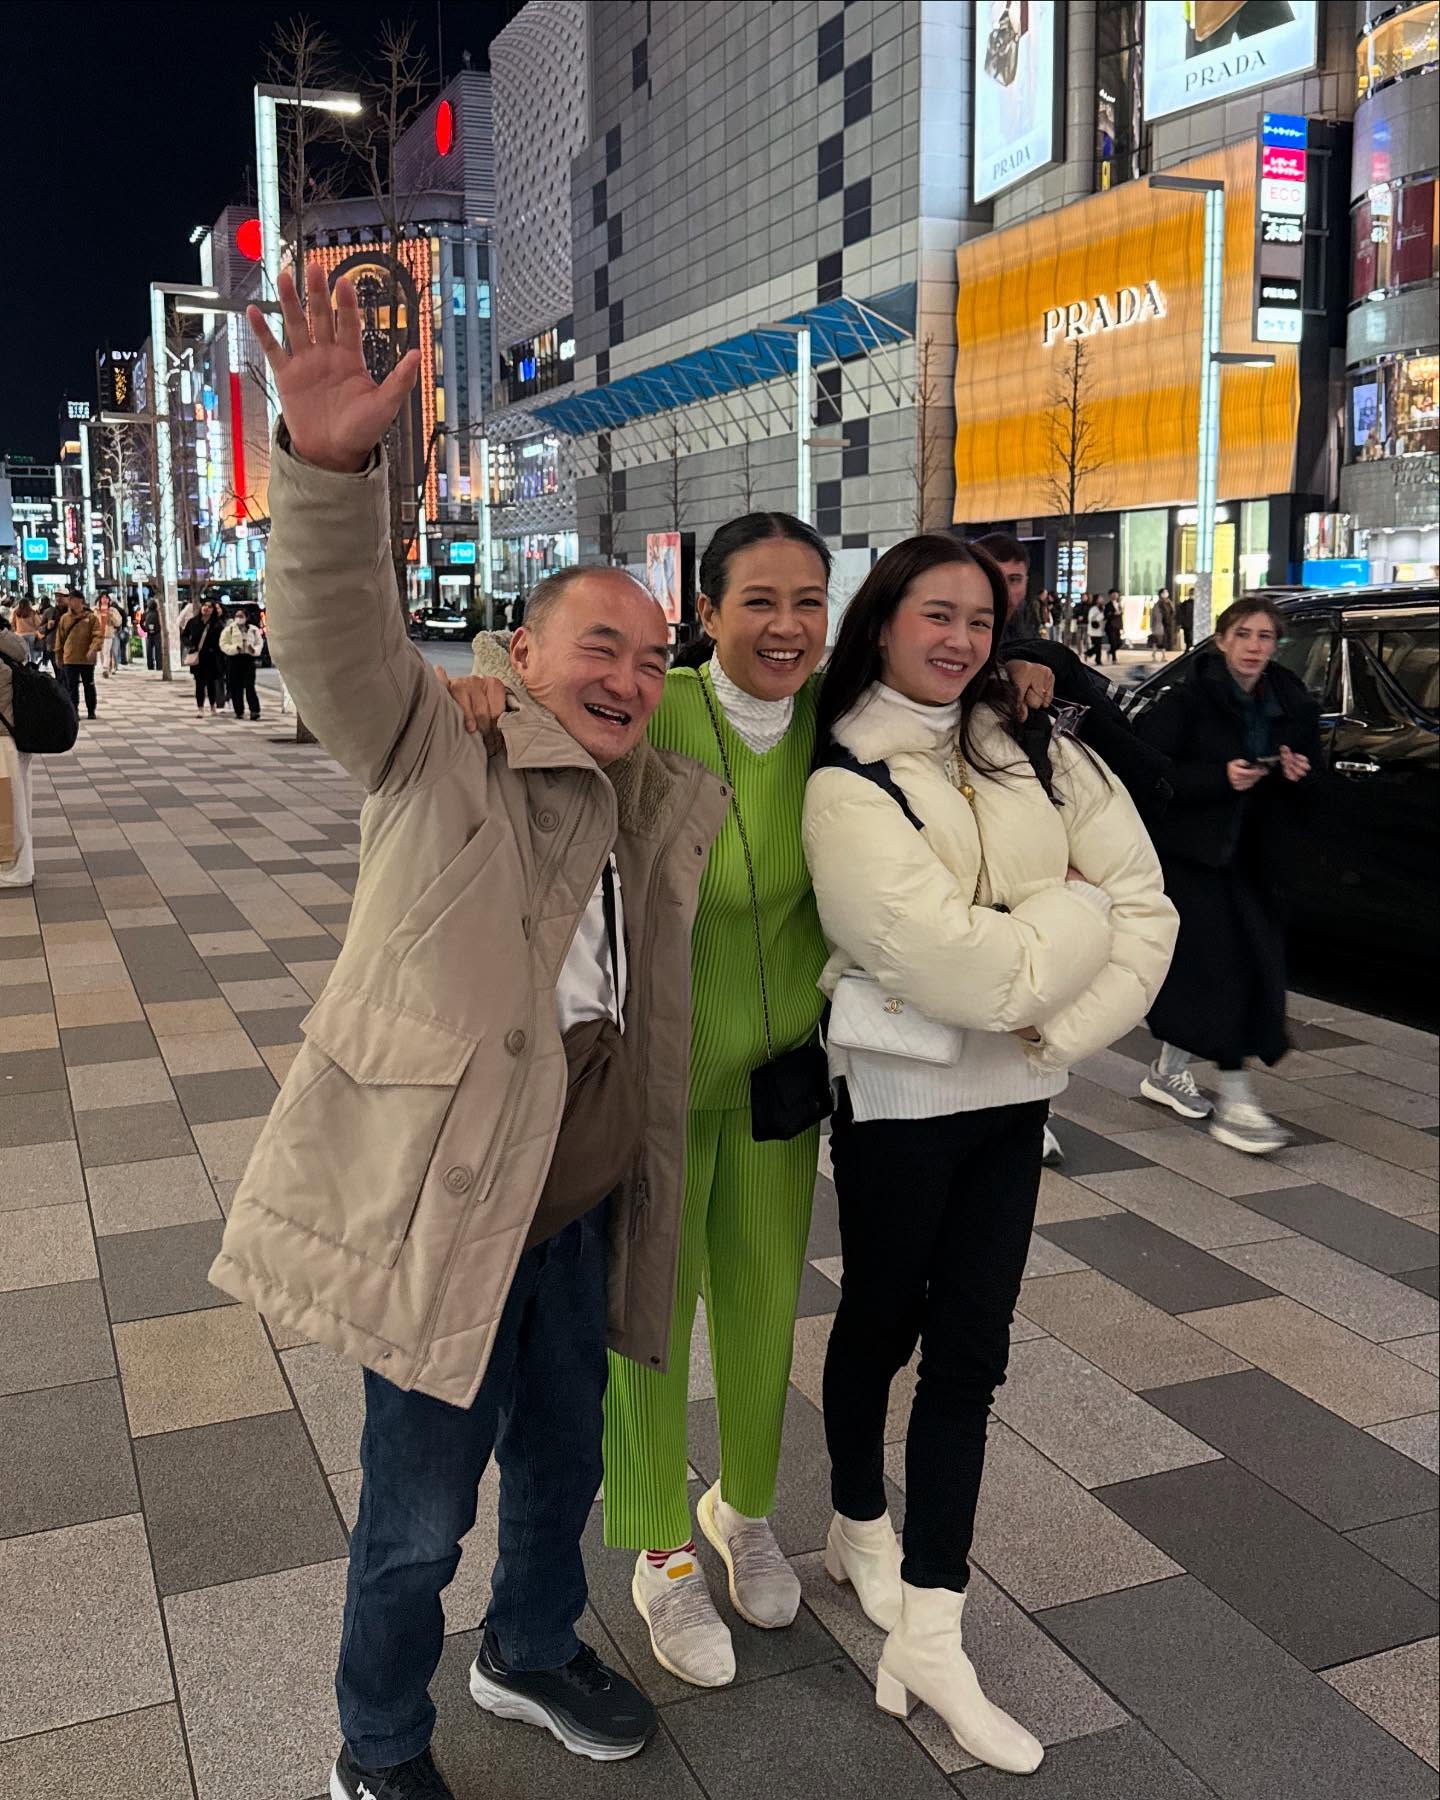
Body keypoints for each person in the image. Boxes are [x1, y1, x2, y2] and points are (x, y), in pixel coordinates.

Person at [210, 260, 729, 1800]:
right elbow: (338, 650)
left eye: (653, 658)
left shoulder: (654, 804)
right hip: (450, 1215)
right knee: (418, 1517)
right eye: (599, 647)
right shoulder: (442, 746)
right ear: (523, 654)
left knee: (562, 1466)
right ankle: (377, 1747)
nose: (630, 677)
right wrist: (327, 477)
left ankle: (530, 1647)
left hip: (574, 1211)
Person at [444, 536, 1065, 1690]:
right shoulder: (663, 704)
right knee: (648, 1321)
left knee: (764, 1310)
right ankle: (660, 1551)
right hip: (653, 1091)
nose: (787, 625)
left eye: (809, 602)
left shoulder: (835, 712)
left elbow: (939, 687)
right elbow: (556, 694)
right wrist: (488, 677)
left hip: (781, 1087)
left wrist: (1023, 670)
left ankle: (745, 1508)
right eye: (760, 601)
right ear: (708, 610)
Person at [802, 536, 1176, 1773]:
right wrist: (1069, 911)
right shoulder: (845, 775)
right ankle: (856, 1517)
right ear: (883, 621)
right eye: (936, 614)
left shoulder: (1030, 743)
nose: (961, 639)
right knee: (881, 1323)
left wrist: (1048, 1030)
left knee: (972, 1353)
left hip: (1019, 1095)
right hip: (899, 1102)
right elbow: (975, 971)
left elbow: (1148, 904)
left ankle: (933, 1631)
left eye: (980, 617)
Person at [1135, 596, 1320, 1154]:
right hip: (1195, 858)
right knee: (1225, 972)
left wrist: (1297, 772)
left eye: (1265, 637)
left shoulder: (1290, 701)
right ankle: (1237, 1100)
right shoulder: (1188, 699)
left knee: (1247, 968)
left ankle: (1168, 1071)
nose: (1254, 647)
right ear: (1221, 640)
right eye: (1243, 634)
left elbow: (1315, 783)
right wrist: (1218, 779)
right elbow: (1147, 770)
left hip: (1257, 858)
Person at [0, 621, 36, 885]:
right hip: (14, 737)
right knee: (16, 804)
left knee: (9, 807)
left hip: (3, 739)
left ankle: (14, 871)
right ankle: (18, 866)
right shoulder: (12, 647)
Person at [55, 590, 99, 720]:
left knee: (89, 685)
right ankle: (74, 711)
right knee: (71, 687)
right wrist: (58, 655)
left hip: (87, 659)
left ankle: (91, 710)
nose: (70, 602)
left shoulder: (91, 617)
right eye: (70, 599)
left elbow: (97, 635)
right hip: (70, 658)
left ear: (80, 601)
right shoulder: (65, 618)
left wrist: (93, 649)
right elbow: (59, 638)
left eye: (73, 599)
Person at [181, 599, 226, 716]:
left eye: (210, 607)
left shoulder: (217, 624)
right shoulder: (193, 622)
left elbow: (222, 641)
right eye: (205, 605)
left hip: (212, 658)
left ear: (213, 610)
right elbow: (184, 635)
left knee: (211, 684)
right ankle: (200, 708)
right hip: (198, 657)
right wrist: (190, 645)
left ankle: (212, 707)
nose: (206, 608)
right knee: (199, 684)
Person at [220, 605, 265, 720]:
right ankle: (239, 711)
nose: (239, 618)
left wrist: (254, 650)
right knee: (236, 687)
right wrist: (234, 649)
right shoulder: (229, 629)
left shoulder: (253, 629)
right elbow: (223, 644)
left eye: (241, 616)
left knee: (250, 686)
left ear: (246, 617)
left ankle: (254, 711)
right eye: (237, 616)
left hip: (248, 659)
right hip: (234, 659)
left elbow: (259, 643)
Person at [143, 592, 164, 671]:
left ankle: (150, 666)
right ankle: (159, 666)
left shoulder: (146, 613)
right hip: (157, 633)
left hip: (149, 633)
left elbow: (141, 622)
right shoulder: (158, 613)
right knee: (158, 650)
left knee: (149, 650)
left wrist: (145, 629)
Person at [1104, 589, 1123, 663]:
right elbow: (1106, 615)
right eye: (1113, 594)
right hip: (1110, 626)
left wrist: (1121, 626)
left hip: (1117, 626)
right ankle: (1114, 658)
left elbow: (1120, 617)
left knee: (1119, 643)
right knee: (1113, 642)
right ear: (1110, 595)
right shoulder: (1107, 605)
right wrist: (1113, 614)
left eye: (1116, 594)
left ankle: (1110, 652)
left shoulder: (1119, 604)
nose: (1115, 595)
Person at [1085, 594, 1106, 664]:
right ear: (1096, 600)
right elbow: (1091, 619)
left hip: (1100, 630)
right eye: (1100, 598)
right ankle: (1089, 653)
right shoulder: (1093, 609)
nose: (1102, 599)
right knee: (1097, 646)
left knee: (1098, 646)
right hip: (1093, 630)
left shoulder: (1103, 608)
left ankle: (1097, 660)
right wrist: (1102, 615)